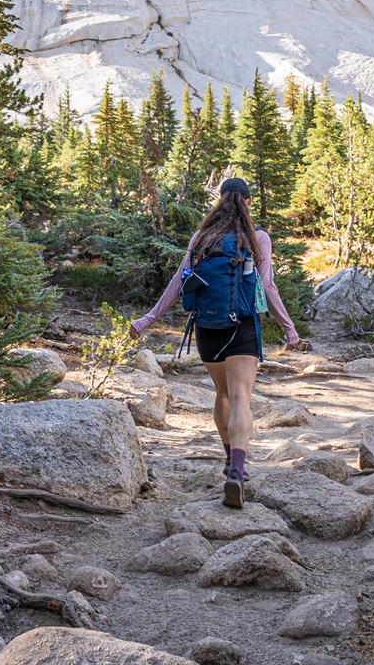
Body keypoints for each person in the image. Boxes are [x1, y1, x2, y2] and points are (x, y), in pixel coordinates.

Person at [130, 177, 300, 509]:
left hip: (207, 328)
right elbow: (266, 286)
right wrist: (289, 329)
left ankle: (227, 459)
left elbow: (177, 284)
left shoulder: (201, 237)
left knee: (222, 393)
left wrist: (146, 320)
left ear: (220, 201)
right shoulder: (257, 237)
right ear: (248, 202)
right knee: (241, 397)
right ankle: (237, 469)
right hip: (242, 326)